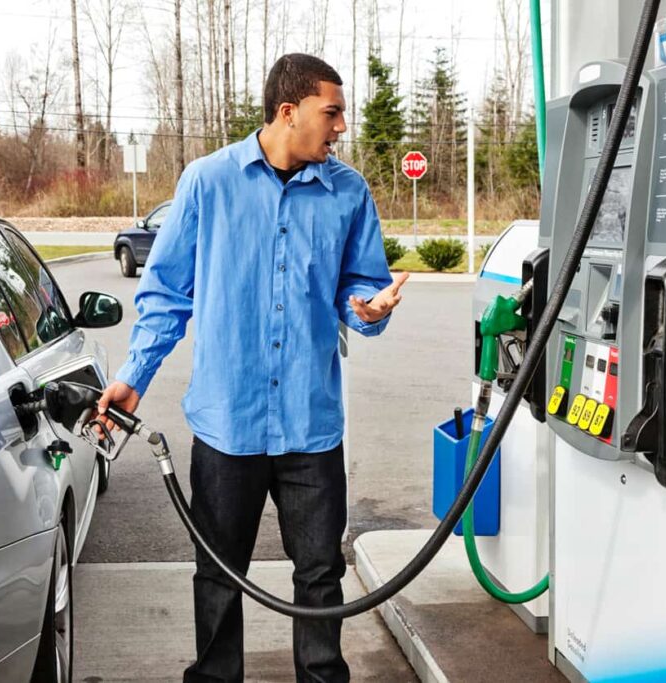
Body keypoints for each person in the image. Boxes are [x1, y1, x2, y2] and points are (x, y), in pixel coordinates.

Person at [97, 53, 409, 683]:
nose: (342, 126)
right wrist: (134, 376)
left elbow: (363, 292)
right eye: (332, 112)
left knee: (320, 576)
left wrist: (370, 311)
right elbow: (166, 296)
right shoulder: (207, 183)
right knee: (218, 574)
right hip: (225, 424)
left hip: (311, 426)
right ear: (288, 112)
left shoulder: (348, 192)